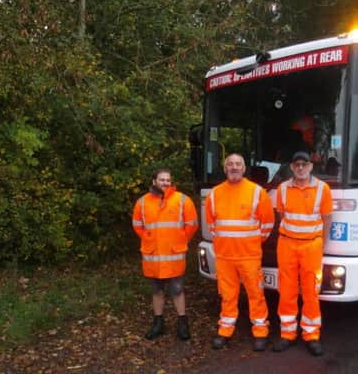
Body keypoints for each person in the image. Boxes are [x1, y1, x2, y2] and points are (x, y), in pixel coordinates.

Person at [205, 153, 275, 351]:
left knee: (256, 294)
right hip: (225, 256)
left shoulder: (256, 192)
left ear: (244, 169)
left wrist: (251, 242)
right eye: (230, 164)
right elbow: (212, 225)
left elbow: (268, 223)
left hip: (249, 255)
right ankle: (225, 330)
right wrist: (227, 241)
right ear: (225, 168)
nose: (234, 167)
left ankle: (260, 332)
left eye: (238, 164)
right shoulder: (215, 193)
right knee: (227, 295)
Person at [273, 151, 333, 356]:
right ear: (291, 167)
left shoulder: (322, 189)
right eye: (296, 164)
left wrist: (321, 245)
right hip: (287, 245)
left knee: (311, 291)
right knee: (287, 290)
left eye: (304, 164)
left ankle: (311, 335)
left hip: (311, 247)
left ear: (310, 166)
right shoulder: (282, 189)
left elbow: (327, 219)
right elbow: (282, 215)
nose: (300, 167)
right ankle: (287, 334)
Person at [132, 168, 199, 341]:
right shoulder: (142, 202)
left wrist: (181, 239)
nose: (165, 183)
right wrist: (147, 238)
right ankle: (158, 323)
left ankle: (183, 323)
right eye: (161, 180)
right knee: (157, 290)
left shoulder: (182, 200)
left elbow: (192, 224)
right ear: (154, 181)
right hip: (152, 255)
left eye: (168, 180)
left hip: (174, 254)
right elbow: (137, 225)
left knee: (177, 290)